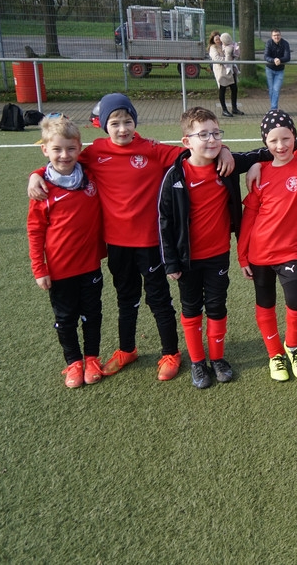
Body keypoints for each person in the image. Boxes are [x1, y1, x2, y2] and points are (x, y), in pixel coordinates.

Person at [27, 93, 234, 382]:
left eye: (127, 121)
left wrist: (224, 150)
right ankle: (127, 350)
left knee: (159, 299)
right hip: (117, 244)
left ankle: (171, 352)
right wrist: (36, 174)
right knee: (126, 298)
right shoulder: (95, 152)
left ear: (135, 122)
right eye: (115, 123)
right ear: (104, 125)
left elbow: (193, 152)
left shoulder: (151, 149)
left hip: (150, 243)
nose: (122, 129)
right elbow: (63, 161)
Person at [159, 107, 263, 389]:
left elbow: (263, 153)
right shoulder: (175, 176)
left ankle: (217, 358)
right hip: (187, 260)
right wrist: (171, 262)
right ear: (187, 142)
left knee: (217, 306)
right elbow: (164, 221)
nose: (212, 139)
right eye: (203, 134)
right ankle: (197, 361)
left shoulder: (225, 166)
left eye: (216, 133)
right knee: (191, 308)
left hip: (218, 256)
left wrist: (252, 161)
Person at [238, 111, 297, 382]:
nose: (281, 145)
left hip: (290, 252)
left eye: (286, 138)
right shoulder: (261, 172)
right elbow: (249, 217)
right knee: (266, 304)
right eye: (273, 141)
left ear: (294, 136)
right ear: (265, 142)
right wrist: (242, 257)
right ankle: (274, 354)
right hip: (259, 253)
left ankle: (292, 347)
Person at [27, 115, 105, 388]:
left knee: (93, 314)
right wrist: (39, 269)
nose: (64, 155)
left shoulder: (90, 176)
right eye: (57, 149)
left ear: (79, 148)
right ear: (45, 150)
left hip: (90, 265)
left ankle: (92, 359)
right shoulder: (42, 190)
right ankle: (73, 362)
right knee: (65, 318)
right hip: (59, 270)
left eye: (71, 149)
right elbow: (35, 232)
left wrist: (35, 173)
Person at [209, 31, 242, 117]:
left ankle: (234, 108)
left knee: (234, 88)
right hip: (221, 71)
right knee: (222, 89)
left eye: (219, 39)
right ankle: (224, 110)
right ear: (213, 40)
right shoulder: (213, 48)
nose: (218, 41)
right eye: (216, 39)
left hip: (230, 70)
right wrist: (227, 60)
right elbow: (216, 58)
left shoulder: (225, 45)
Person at [264, 29, 292, 110]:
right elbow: (266, 56)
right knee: (271, 90)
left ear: (280, 35)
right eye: (274, 35)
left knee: (276, 89)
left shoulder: (285, 43)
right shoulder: (268, 43)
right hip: (269, 69)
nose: (276, 37)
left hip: (280, 70)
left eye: (278, 35)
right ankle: (273, 108)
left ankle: (273, 109)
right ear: (271, 36)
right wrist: (273, 60)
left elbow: (287, 57)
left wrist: (280, 60)